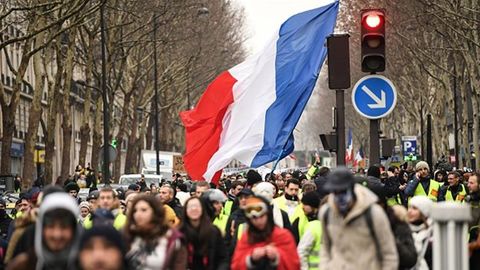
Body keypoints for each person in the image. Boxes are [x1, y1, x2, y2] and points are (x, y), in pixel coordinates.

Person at [319, 167, 398, 270]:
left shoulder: (374, 213)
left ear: (352, 189)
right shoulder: (326, 213)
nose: (339, 197)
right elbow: (325, 248)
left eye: (343, 191)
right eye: (335, 192)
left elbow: (389, 254)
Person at [7, 193, 81, 270]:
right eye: (50, 226)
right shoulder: (23, 265)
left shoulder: (88, 263)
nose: (57, 235)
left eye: (64, 227)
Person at [231, 196, 300, 270]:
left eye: (262, 216)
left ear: (268, 215)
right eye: (254, 218)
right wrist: (251, 259)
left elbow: (294, 264)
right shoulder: (246, 237)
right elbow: (235, 265)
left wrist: (276, 257)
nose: (258, 221)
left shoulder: (283, 236)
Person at [124, 195, 187, 269]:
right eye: (135, 210)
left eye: (144, 210)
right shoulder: (127, 234)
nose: (138, 214)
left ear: (155, 212)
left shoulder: (172, 238)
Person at [180, 197, 228, 270]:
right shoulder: (179, 233)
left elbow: (223, 258)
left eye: (197, 206)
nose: (194, 209)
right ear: (185, 210)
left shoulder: (213, 231)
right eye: (190, 207)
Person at [297, 192, 322, 270]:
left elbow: (301, 252)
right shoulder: (301, 218)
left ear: (312, 206)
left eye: (305, 204)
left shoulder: (314, 225)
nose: (302, 207)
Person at [407, 196, 433, 270]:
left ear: (424, 212)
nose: (409, 211)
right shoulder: (403, 230)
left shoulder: (433, 233)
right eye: (409, 207)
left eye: (414, 208)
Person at [467, 173, 480, 268]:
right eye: (468, 182)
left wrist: (472, 246)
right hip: (469, 244)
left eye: (471, 183)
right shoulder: (469, 200)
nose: (468, 185)